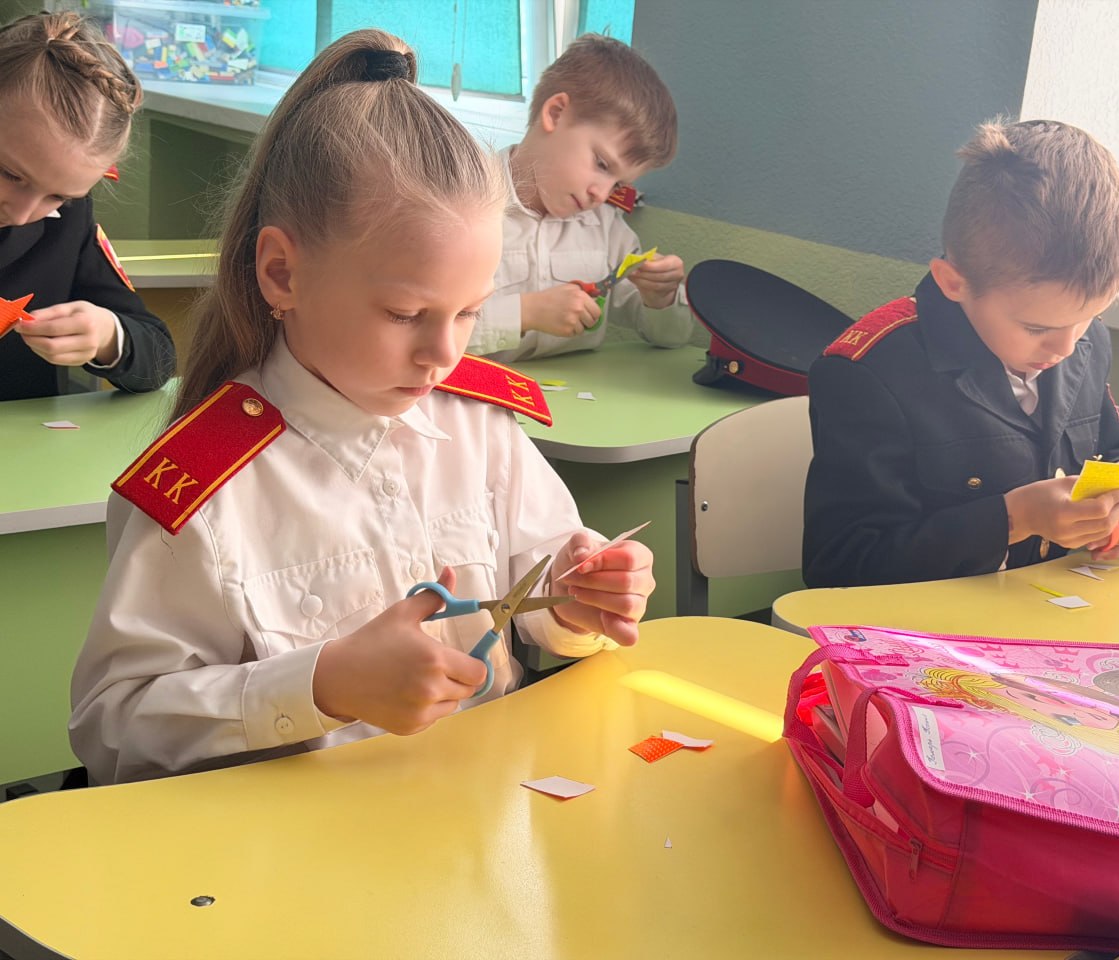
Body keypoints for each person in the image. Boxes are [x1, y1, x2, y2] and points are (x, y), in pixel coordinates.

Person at [69, 30, 656, 785]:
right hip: (289, 845)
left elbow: (543, 600)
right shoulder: (206, 481)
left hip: (475, 823)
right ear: (282, 274)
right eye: (405, 314)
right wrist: (321, 687)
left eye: (470, 312)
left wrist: (580, 602)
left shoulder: (479, 426)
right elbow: (113, 726)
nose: (443, 354)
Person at [804, 118, 1119, 588]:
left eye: (1088, 318)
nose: (1066, 347)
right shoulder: (869, 374)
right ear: (954, 283)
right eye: (1037, 328)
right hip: (922, 626)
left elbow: (1111, 453)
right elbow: (840, 565)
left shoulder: (1083, 342)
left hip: (1050, 612)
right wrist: (1013, 518)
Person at [467, 34, 693, 362]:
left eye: (618, 185)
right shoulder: (461, 206)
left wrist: (661, 298)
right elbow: (420, 330)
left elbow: (671, 338)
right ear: (556, 113)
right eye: (601, 164)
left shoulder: (605, 229)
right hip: (470, 390)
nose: (601, 194)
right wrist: (526, 313)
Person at [0, 12, 175, 401]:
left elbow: (158, 356)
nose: (22, 214)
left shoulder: (68, 222)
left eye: (58, 196)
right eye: (10, 174)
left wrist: (107, 335)